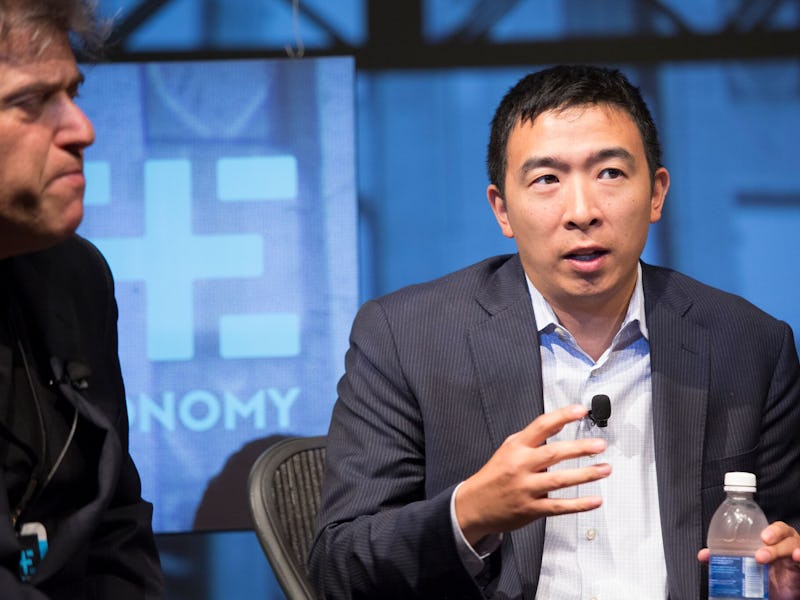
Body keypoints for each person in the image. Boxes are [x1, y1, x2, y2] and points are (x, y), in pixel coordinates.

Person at [308, 65, 800, 599]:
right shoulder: (406, 338)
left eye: (610, 173)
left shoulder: (749, 345)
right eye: (547, 179)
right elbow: (341, 565)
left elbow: (783, 542)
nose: (582, 211)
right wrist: (470, 513)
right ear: (503, 209)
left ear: (657, 193)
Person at [0, 1, 164, 597]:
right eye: (30, 102)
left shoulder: (78, 275)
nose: (83, 129)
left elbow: (116, 525)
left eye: (72, 93)